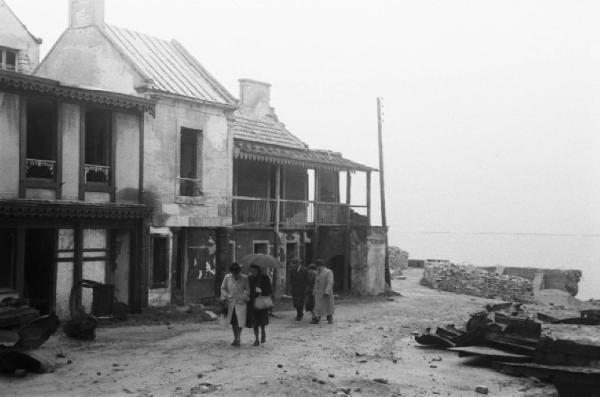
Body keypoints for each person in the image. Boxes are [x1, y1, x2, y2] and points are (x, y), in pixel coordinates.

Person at [220, 262, 250, 346]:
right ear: (231, 271)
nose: (235, 273)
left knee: (240, 321)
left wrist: (243, 297)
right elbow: (223, 288)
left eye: (237, 271)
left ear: (239, 271)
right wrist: (227, 295)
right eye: (234, 271)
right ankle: (236, 338)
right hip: (230, 303)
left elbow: (248, 291)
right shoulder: (227, 277)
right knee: (233, 322)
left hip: (240, 303)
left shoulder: (245, 278)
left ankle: (238, 338)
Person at [247, 264, 273, 346]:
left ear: (258, 270)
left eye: (254, 270)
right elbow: (247, 289)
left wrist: (261, 291)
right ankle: (256, 339)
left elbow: (269, 289)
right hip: (252, 303)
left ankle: (263, 332)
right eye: (251, 271)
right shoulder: (249, 279)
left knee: (262, 321)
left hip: (262, 302)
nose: (252, 272)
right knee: (254, 322)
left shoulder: (265, 278)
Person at [311, 259, 335, 324]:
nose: (316, 268)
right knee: (317, 306)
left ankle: (330, 318)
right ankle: (316, 318)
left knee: (328, 306)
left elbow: (330, 282)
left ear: (320, 266)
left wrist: (327, 291)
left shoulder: (328, 272)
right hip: (318, 293)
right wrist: (314, 291)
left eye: (316, 266)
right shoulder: (317, 273)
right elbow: (316, 283)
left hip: (325, 292)